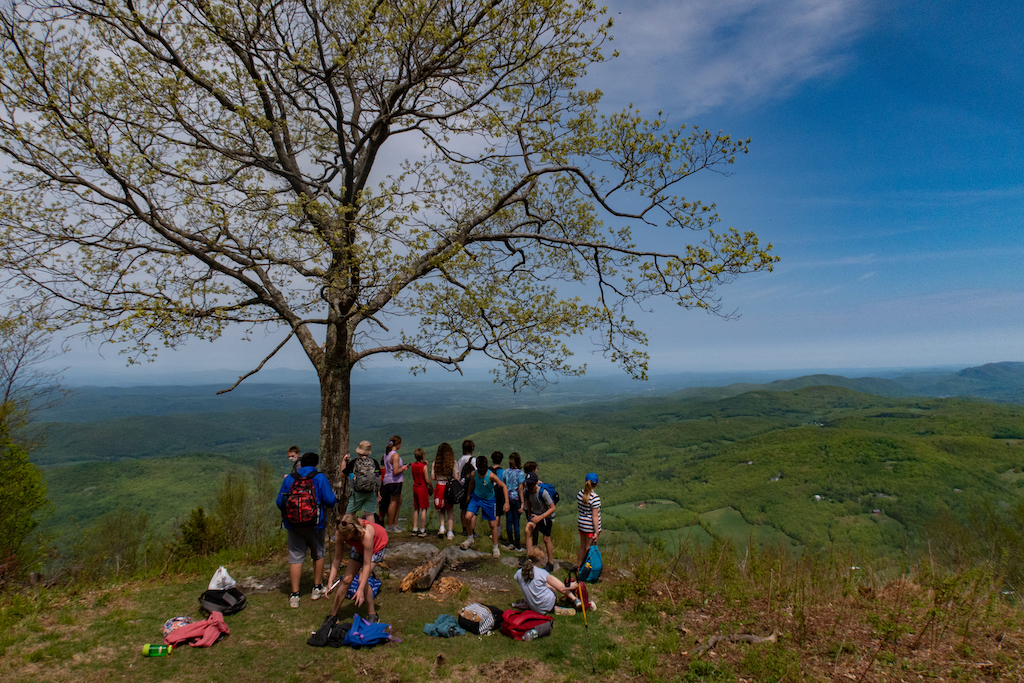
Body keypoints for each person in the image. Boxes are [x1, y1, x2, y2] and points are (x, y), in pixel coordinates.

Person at [276, 451, 336, 608]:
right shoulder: (319, 478)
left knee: (295, 557)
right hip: (316, 523)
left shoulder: (290, 478)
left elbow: (279, 501)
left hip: (293, 524)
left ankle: (295, 595)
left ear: (301, 464)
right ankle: (317, 588)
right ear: (316, 464)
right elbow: (330, 501)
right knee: (318, 553)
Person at [328, 513, 389, 623]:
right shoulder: (341, 533)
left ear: (353, 531)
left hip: (377, 545)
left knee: (362, 579)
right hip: (359, 546)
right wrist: (330, 580)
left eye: (346, 537)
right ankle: (333, 615)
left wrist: (360, 589)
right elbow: (337, 559)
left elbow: (366, 564)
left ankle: (372, 614)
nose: (343, 539)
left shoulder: (366, 535)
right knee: (346, 579)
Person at [460, 455, 510, 557]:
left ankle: (495, 548)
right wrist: (469, 495)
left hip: (489, 500)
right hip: (476, 497)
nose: (482, 470)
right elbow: (472, 484)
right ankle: (470, 539)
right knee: (467, 516)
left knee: (492, 524)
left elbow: (503, 486)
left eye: (484, 468)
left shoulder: (491, 476)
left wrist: (506, 502)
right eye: (480, 468)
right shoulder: (474, 474)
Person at [513, 546, 582, 615]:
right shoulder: (542, 573)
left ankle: (574, 600)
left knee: (543, 584)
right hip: (546, 605)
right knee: (552, 586)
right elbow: (561, 588)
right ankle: (574, 600)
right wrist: (571, 586)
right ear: (540, 560)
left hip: (533, 606)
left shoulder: (519, 573)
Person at [523, 471, 555, 571]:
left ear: (535, 483)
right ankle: (529, 559)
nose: (529, 486)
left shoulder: (543, 493)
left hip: (546, 517)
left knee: (546, 539)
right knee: (527, 530)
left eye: (530, 484)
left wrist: (540, 517)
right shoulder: (526, 491)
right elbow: (528, 502)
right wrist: (529, 515)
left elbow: (552, 508)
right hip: (535, 514)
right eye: (527, 484)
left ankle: (550, 563)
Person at [381, 435, 407, 532]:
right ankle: (390, 525)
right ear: (398, 444)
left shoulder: (386, 454)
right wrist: (403, 468)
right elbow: (396, 471)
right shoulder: (395, 455)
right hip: (394, 481)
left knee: (398, 501)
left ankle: (395, 524)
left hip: (388, 480)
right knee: (393, 502)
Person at [576, 472, 601, 569]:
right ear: (596, 484)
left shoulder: (580, 494)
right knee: (589, 548)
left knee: (582, 546)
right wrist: (596, 531)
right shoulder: (595, 498)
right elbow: (595, 516)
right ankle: (586, 569)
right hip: (590, 526)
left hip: (581, 524)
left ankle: (578, 566)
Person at [432, 442, 456, 539]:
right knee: (450, 509)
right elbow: (456, 477)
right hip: (448, 488)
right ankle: (450, 532)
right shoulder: (453, 463)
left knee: (441, 508)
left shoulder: (435, 463)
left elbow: (433, 477)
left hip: (439, 487)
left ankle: (442, 527)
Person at [503, 452, 525, 551]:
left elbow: (504, 485)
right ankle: (518, 545)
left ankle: (510, 542)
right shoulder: (520, 473)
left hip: (507, 499)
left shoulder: (505, 472)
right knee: (516, 522)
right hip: (516, 499)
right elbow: (520, 489)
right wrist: (523, 503)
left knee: (509, 521)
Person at [410, 447, 432, 537]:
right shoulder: (424, 467)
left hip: (415, 487)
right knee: (424, 509)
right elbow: (427, 480)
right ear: (423, 456)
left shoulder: (413, 465)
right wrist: (431, 486)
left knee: (416, 509)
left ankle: (414, 529)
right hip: (422, 489)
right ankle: (422, 530)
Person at [456, 439, 475, 535]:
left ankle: (464, 529)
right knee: (472, 509)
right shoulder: (473, 460)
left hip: (462, 487)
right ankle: (471, 530)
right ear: (472, 448)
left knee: (463, 509)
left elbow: (458, 475)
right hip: (472, 487)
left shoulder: (460, 460)